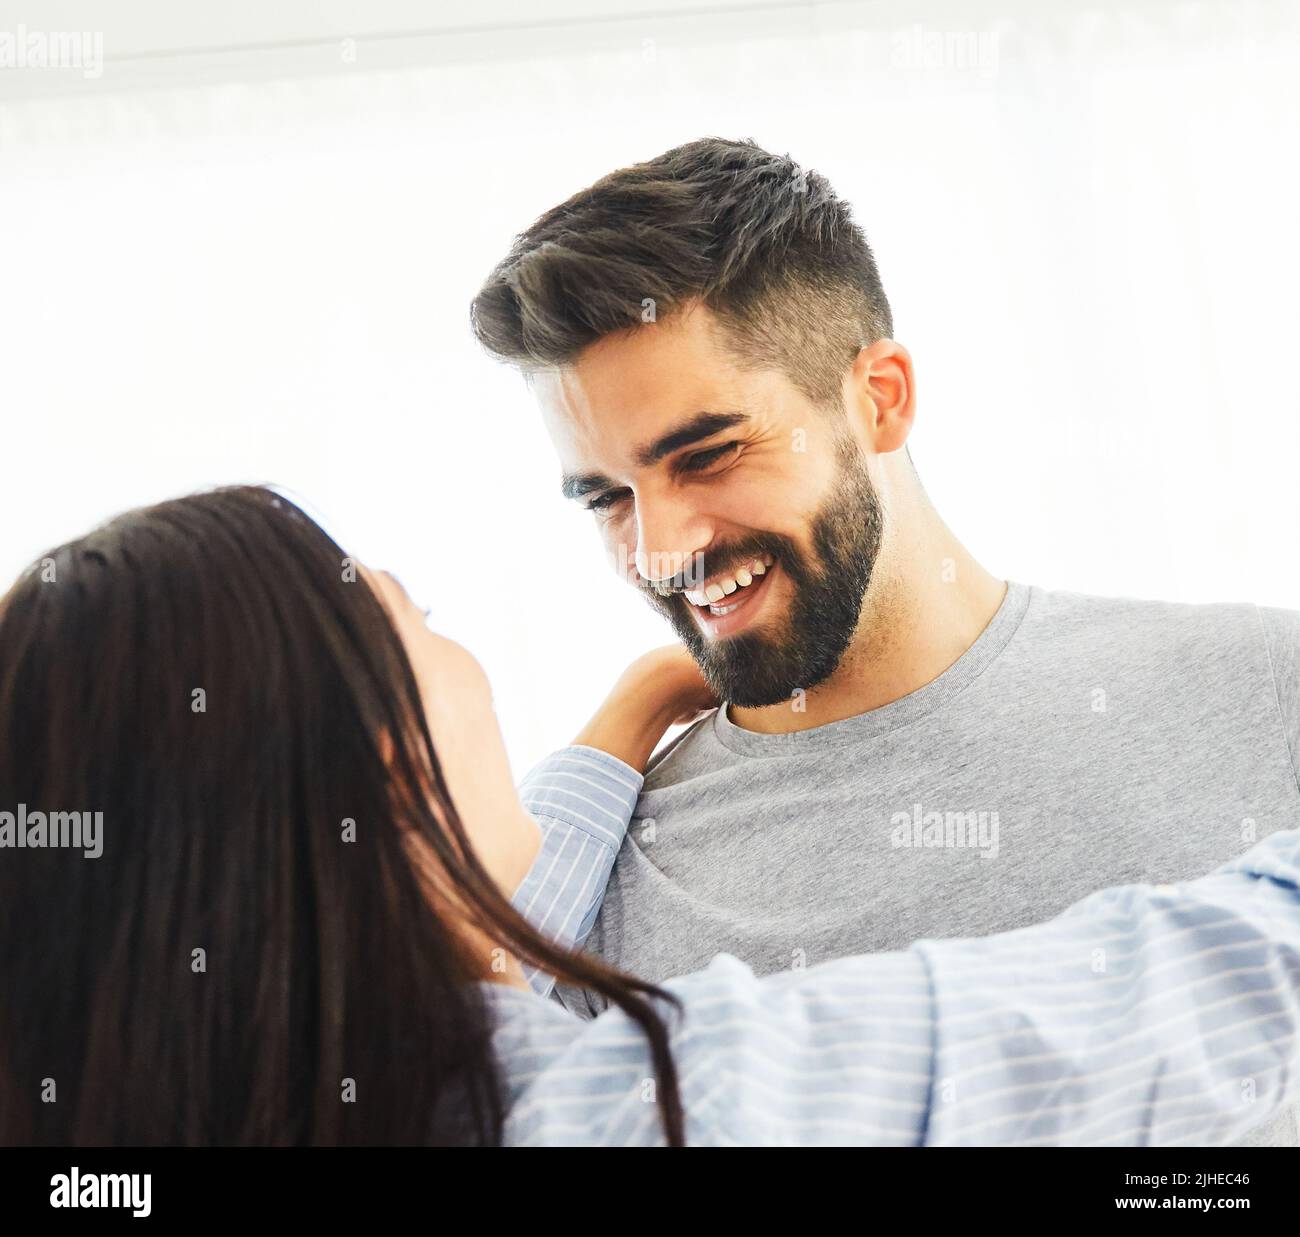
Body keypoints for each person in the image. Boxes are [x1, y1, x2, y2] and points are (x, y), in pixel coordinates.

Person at [2, 485, 1298, 1147]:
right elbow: (1165, 992)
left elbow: (489, 930)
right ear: (389, 766)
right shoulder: (649, 1104)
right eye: (422, 623)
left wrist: (623, 723)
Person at [470, 137, 1300, 1145]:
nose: (659, 550)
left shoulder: (1265, 690)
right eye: (607, 497)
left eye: (710, 453)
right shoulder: (606, 886)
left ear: (880, 398)